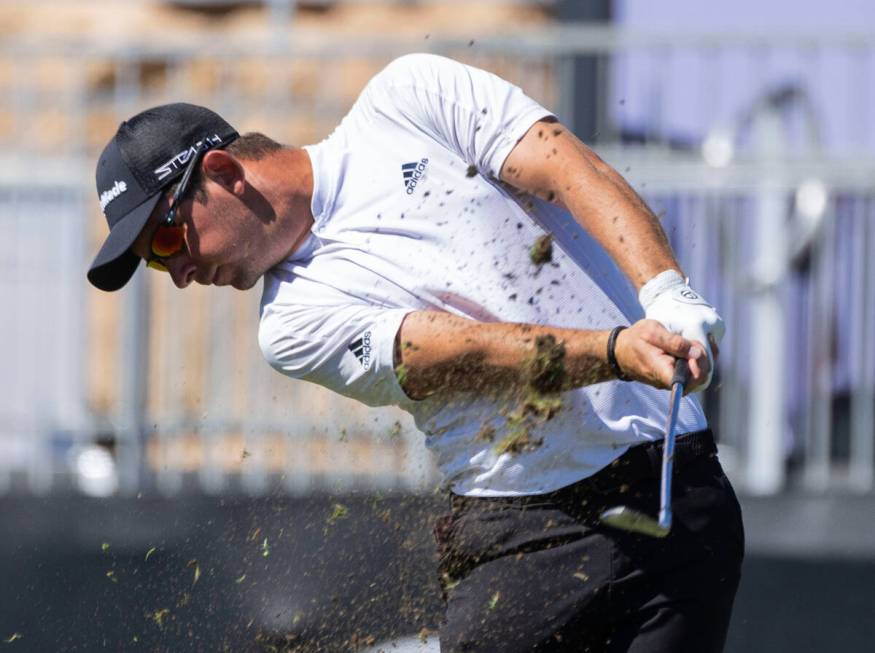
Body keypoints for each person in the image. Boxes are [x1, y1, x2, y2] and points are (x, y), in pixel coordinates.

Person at [87, 53, 743, 652]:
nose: (176, 272)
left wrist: (666, 292)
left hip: (675, 492)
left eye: (168, 241)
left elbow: (565, 166)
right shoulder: (288, 325)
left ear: (224, 173)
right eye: (153, 262)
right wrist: (615, 351)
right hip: (526, 534)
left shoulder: (409, 97)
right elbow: (456, 353)